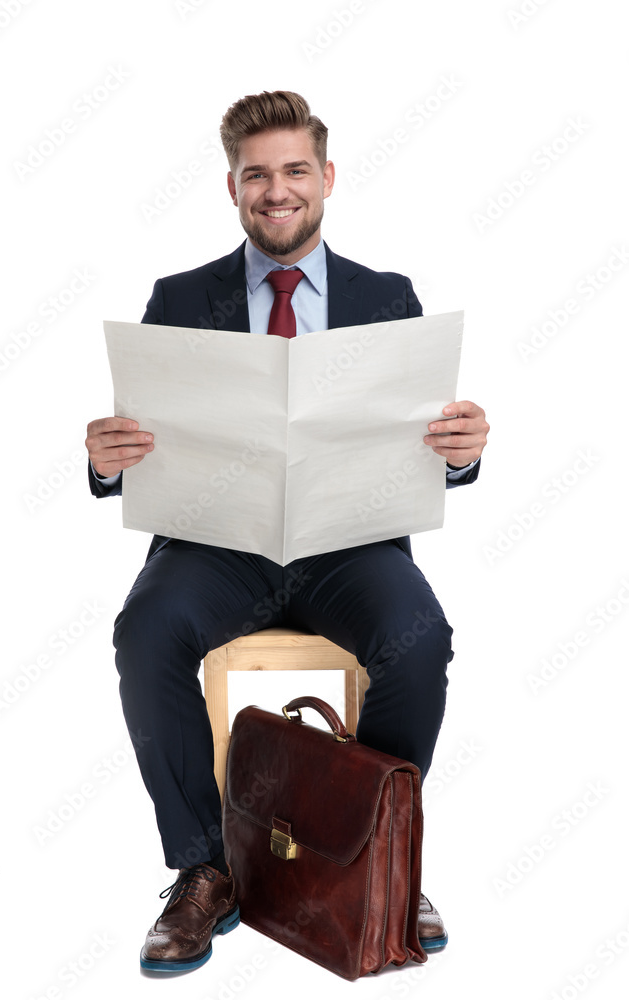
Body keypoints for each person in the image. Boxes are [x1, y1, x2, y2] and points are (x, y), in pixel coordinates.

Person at [85, 90, 489, 975]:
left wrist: (460, 452)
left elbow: (426, 447)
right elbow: (140, 449)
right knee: (143, 630)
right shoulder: (179, 297)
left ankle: (382, 851)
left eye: (294, 170)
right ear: (232, 187)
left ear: (327, 178)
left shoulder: (387, 297)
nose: (277, 189)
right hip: (216, 549)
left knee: (421, 643)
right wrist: (107, 460)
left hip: (350, 547)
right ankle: (205, 868)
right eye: (256, 174)